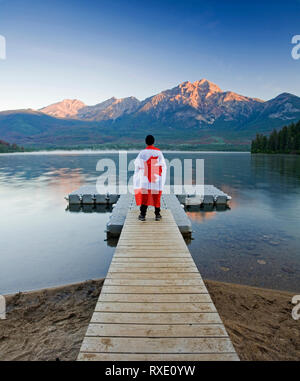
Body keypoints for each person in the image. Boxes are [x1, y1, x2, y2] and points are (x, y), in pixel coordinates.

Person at [133, 135, 167, 221]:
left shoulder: (142, 153)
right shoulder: (158, 152)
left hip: (145, 177)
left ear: (146, 142)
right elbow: (163, 165)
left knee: (145, 195)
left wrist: (138, 174)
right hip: (156, 177)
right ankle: (157, 215)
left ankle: (142, 215)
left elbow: (137, 164)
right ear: (153, 142)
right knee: (156, 196)